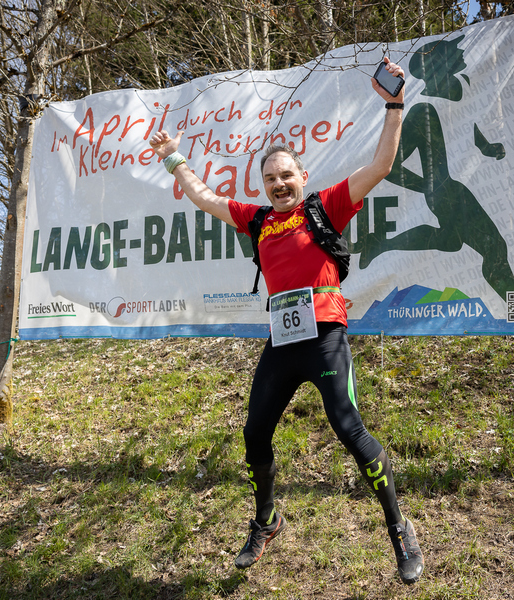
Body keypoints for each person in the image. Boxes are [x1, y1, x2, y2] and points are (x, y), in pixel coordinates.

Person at [149, 58, 424, 585]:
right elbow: (205, 197)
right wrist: (173, 161)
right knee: (254, 434)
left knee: (350, 430)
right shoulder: (256, 219)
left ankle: (400, 529)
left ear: (302, 178)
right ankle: (266, 520)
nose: (279, 184)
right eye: (271, 179)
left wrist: (393, 105)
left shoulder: (325, 207)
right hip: (282, 341)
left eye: (286, 176)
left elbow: (382, 166)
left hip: (324, 339)